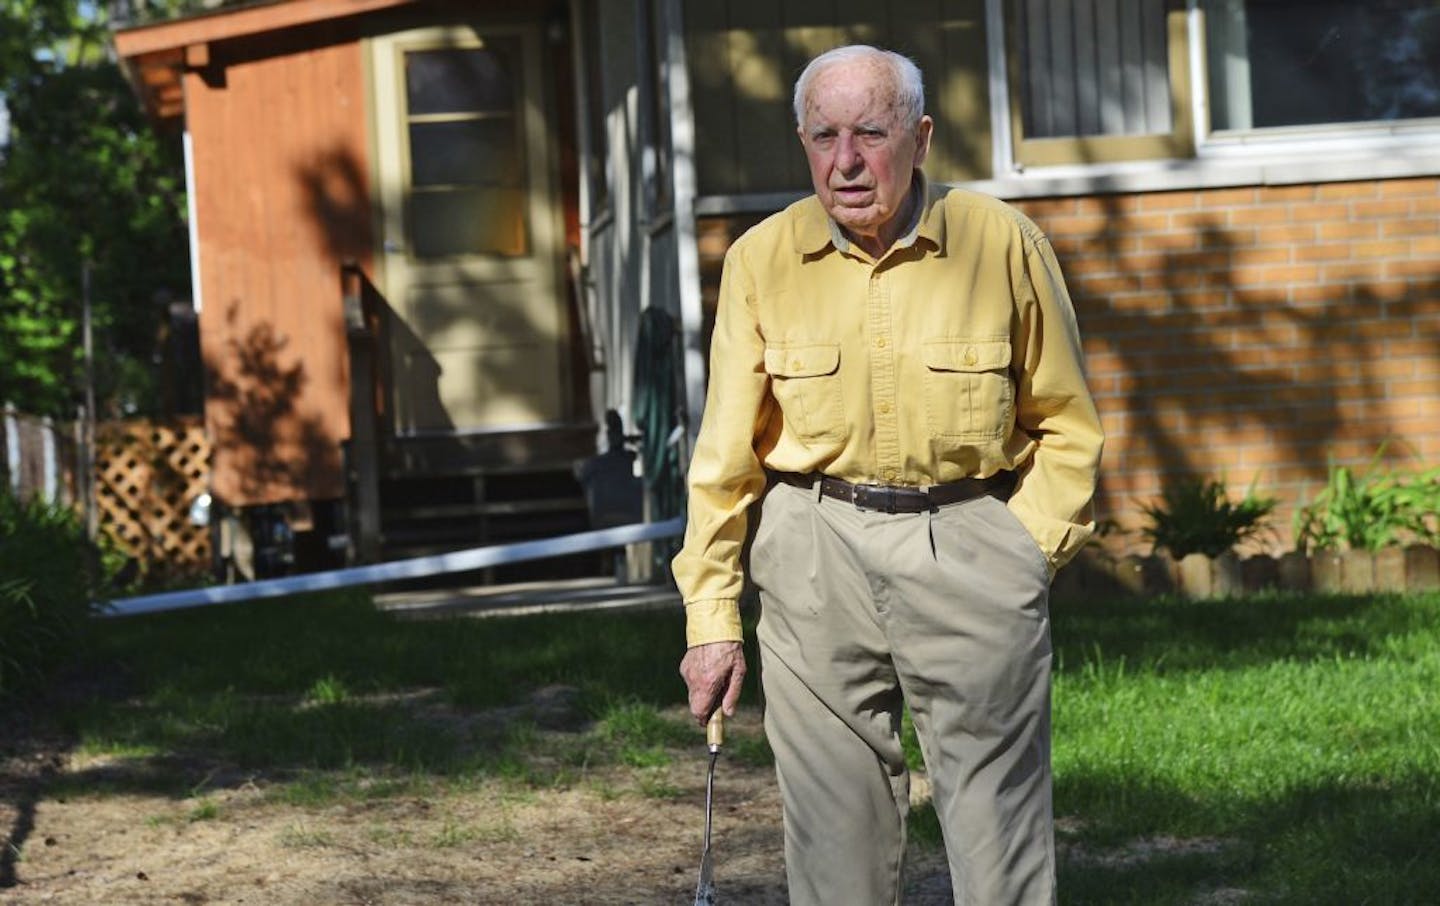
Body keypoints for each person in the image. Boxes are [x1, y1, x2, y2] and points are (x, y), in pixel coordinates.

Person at [672, 44, 1104, 905]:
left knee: (1001, 840)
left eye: (871, 132)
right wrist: (711, 619)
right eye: (824, 135)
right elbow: (723, 459)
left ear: (921, 137)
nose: (846, 161)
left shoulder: (1003, 243)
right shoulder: (761, 260)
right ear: (801, 142)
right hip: (811, 552)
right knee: (835, 854)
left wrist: (1023, 557)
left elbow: (1067, 424)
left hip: (969, 544)